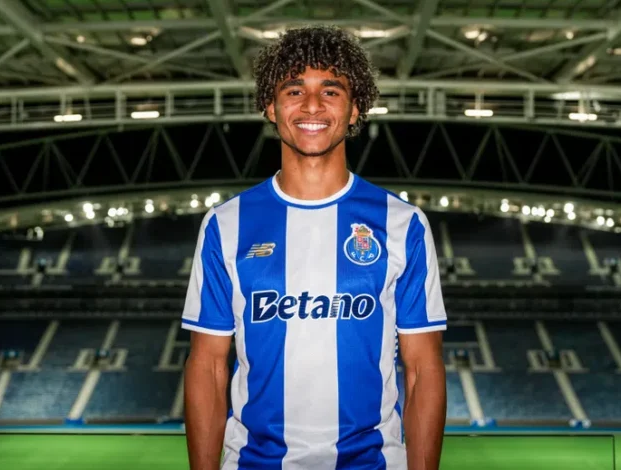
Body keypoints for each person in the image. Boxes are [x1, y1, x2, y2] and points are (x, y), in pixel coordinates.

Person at [181, 25, 447, 470]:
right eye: (293, 90)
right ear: (270, 106)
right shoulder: (225, 225)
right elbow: (207, 367)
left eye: (330, 90)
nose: (311, 105)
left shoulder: (403, 224)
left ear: (355, 108)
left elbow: (423, 370)